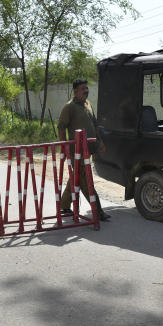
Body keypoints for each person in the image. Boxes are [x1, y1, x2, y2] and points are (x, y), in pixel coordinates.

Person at [57, 78, 110, 221]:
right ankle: (98, 211)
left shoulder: (88, 104)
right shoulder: (69, 107)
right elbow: (61, 127)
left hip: (89, 150)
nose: (86, 91)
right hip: (76, 152)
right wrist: (64, 146)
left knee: (76, 177)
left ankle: (63, 205)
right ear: (75, 91)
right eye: (83, 89)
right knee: (86, 180)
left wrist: (100, 142)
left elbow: (95, 124)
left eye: (87, 88)